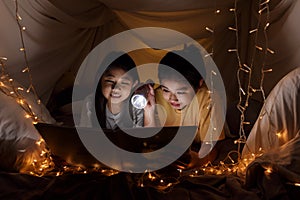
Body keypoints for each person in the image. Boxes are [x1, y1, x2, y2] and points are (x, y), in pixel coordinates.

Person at [146, 46, 226, 168]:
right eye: (166, 90)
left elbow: (211, 148)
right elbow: (150, 141)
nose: (172, 98)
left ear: (199, 84)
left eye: (181, 92)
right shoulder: (154, 97)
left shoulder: (209, 98)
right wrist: (149, 111)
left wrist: (197, 160)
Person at [80, 52, 152, 129]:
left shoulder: (137, 104)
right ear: (99, 79)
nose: (116, 88)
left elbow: (142, 136)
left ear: (134, 84)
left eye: (124, 82)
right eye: (110, 81)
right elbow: (87, 134)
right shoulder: (90, 103)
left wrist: (149, 110)